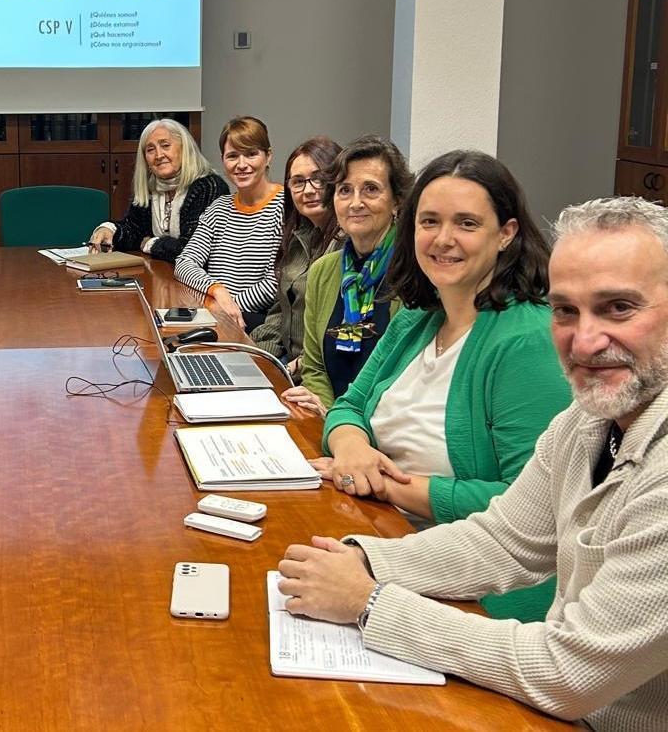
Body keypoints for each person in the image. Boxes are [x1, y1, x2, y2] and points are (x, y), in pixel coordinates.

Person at [277, 196, 668, 730]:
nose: (585, 340)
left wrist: (370, 603)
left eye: (619, 308)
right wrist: (361, 559)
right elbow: (504, 539)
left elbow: (569, 670)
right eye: (565, 310)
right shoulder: (586, 421)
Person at [317, 151, 571, 620]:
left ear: (507, 234)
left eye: (467, 224)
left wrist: (390, 486)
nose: (443, 239)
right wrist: (350, 447)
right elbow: (349, 404)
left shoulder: (526, 340)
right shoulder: (417, 318)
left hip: (479, 597)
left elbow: (531, 508)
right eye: (429, 221)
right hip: (385, 541)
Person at [288, 135, 413, 413]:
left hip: (382, 430)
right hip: (329, 421)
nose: (355, 202)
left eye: (370, 189)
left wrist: (344, 424)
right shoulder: (323, 271)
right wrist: (329, 415)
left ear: (396, 202)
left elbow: (403, 380)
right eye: (345, 190)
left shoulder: (414, 272)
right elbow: (315, 366)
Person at [174, 115, 285, 331]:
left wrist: (227, 307)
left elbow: (275, 284)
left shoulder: (285, 207)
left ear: (268, 156)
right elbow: (184, 262)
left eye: (251, 154)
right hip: (216, 315)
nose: (241, 165)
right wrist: (217, 292)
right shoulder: (218, 208)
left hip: (257, 324)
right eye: (232, 156)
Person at [250, 136, 343, 372]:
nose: (308, 190)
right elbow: (281, 311)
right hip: (285, 364)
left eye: (318, 179)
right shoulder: (297, 236)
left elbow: (336, 334)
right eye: (298, 182)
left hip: (315, 372)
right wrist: (259, 359)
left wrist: (289, 371)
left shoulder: (348, 245)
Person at [86, 118, 227, 261]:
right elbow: (134, 231)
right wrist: (109, 230)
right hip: (161, 273)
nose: (159, 155)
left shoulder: (209, 187)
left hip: (202, 279)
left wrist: (151, 243)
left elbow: (192, 249)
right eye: (150, 150)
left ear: (185, 149)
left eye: (165, 145)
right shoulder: (150, 187)